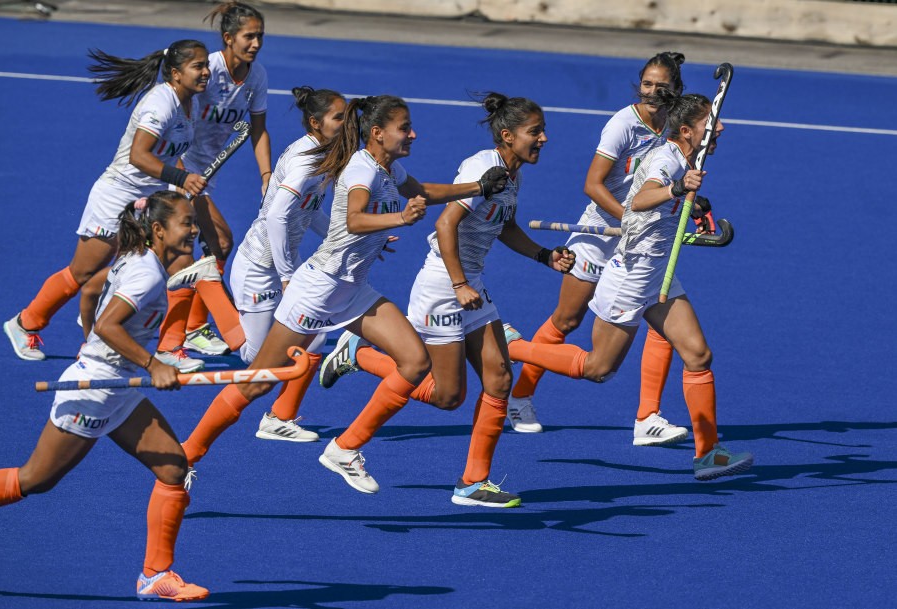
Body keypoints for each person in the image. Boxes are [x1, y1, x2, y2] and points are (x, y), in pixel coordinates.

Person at [179, 95, 509, 493]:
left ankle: (344, 449)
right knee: (256, 382)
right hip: (319, 289)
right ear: (377, 134)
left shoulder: (390, 166)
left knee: (414, 361)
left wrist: (477, 186)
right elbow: (354, 219)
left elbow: (422, 190)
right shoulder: (360, 169)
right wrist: (399, 218)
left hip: (354, 291)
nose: (413, 133)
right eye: (404, 127)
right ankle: (187, 454)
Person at [318, 92, 574, 507]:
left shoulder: (511, 174)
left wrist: (544, 256)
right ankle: (359, 358)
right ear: (507, 136)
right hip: (444, 287)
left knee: (500, 379)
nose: (543, 138)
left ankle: (473, 483)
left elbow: (503, 225)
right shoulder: (482, 167)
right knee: (446, 396)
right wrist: (459, 285)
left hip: (470, 285)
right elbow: (445, 223)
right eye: (535, 132)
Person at [502, 89, 754, 481]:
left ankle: (709, 454)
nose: (720, 127)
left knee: (698, 355)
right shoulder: (666, 159)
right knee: (598, 368)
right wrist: (677, 189)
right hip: (630, 278)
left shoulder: (686, 157)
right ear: (686, 130)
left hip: (657, 275)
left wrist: (695, 202)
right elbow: (642, 199)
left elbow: (670, 200)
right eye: (711, 123)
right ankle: (513, 346)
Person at [0, 191, 209, 601]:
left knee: (173, 468)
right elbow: (110, 325)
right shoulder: (147, 274)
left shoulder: (138, 259)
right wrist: (151, 364)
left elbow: (92, 291)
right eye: (187, 222)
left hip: (118, 389)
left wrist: (92, 345)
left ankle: (154, 575)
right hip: (95, 391)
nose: (194, 230)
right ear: (159, 230)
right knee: (35, 480)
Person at [508, 52, 693, 445]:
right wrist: (625, 217)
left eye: (662, 86)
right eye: (647, 84)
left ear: (676, 89)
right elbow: (592, 184)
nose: (653, 92)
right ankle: (520, 394)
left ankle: (648, 417)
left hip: (641, 239)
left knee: (659, 317)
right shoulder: (623, 125)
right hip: (601, 233)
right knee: (567, 320)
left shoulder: (675, 126)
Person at [3, 39, 210, 361]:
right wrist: (182, 179)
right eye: (198, 66)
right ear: (175, 73)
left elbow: (171, 154)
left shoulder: (191, 103)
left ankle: (170, 346)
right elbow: (139, 155)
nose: (206, 72)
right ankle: (26, 323)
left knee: (181, 261)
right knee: (83, 272)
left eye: (206, 65)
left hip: (150, 197)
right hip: (118, 195)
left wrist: (181, 188)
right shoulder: (161, 103)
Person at [156, 1, 271, 368]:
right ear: (228, 38)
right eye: (248, 36)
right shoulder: (208, 71)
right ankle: (176, 338)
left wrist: (267, 176)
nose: (255, 43)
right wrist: (178, 174)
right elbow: (174, 117)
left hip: (206, 176)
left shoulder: (256, 77)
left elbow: (258, 130)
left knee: (203, 250)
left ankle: (190, 328)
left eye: (259, 36)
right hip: (181, 171)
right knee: (215, 244)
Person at [228, 85, 346, 443]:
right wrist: (286, 275)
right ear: (315, 122)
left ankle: (279, 417)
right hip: (259, 268)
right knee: (257, 360)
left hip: (278, 265)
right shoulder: (305, 160)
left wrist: (342, 237)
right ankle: (205, 286)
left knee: (315, 336)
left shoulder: (324, 154)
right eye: (339, 118)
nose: (346, 124)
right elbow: (278, 216)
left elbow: (308, 212)